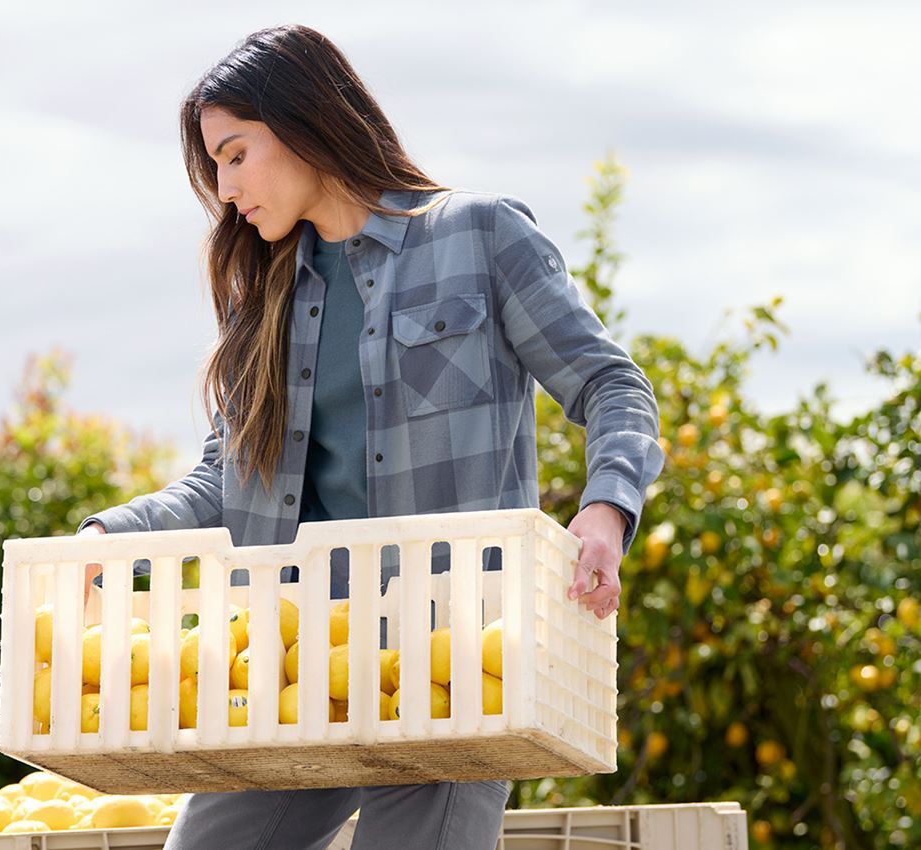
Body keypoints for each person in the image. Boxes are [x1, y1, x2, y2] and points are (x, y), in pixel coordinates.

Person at [75, 23, 664, 850]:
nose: (225, 186)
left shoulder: (479, 237)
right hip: (305, 669)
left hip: (458, 669)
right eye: (214, 166)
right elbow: (223, 481)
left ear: (307, 119)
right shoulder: (267, 299)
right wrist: (110, 533)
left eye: (236, 153)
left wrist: (606, 509)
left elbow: (612, 384)